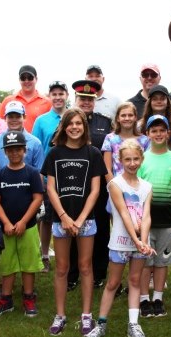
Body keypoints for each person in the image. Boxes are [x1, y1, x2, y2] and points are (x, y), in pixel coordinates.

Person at [41, 108, 107, 336]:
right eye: (71, 123)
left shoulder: (93, 153)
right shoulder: (54, 153)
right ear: (64, 127)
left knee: (85, 267)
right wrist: (64, 217)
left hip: (85, 220)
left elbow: (96, 190)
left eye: (79, 123)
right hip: (62, 219)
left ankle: (86, 315)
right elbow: (50, 187)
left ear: (84, 126)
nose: (75, 127)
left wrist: (79, 219)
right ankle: (60, 315)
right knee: (61, 268)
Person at [84, 139, 155, 337]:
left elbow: (147, 215)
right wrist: (137, 241)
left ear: (141, 159)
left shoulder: (147, 186)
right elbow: (123, 214)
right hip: (121, 242)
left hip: (141, 242)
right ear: (120, 160)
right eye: (128, 159)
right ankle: (101, 324)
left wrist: (143, 241)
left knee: (135, 280)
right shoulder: (115, 184)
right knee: (113, 282)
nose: (132, 163)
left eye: (135, 159)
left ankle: (133, 324)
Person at [0, 130, 45, 318]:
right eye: (10, 150)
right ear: (5, 152)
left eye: (18, 149)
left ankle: (28, 296)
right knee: (8, 263)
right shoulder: (0, 175)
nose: (14, 153)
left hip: (28, 227)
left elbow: (37, 198)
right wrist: (6, 222)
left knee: (28, 263)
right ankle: (6, 298)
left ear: (24, 150)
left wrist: (23, 221)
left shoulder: (33, 173)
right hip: (7, 229)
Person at [137, 115, 171, 318]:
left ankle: (157, 298)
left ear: (168, 133)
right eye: (154, 130)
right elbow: (135, 191)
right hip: (145, 222)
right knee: (145, 263)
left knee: (161, 262)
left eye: (162, 130)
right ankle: (143, 299)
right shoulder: (141, 159)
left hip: (168, 220)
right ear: (147, 134)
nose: (158, 134)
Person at [66, 80, 113, 291]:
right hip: (73, 184)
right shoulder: (67, 122)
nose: (86, 102)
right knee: (74, 227)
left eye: (89, 99)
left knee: (101, 228)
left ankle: (99, 272)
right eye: (82, 99)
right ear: (75, 100)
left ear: (95, 101)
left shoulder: (105, 122)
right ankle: (72, 273)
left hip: (99, 185)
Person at [32, 80, 70, 273]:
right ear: (49, 96)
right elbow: (36, 149)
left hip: (71, 176)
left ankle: (69, 257)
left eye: (61, 93)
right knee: (47, 219)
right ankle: (45, 255)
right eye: (54, 94)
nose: (57, 97)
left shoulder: (73, 117)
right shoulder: (41, 121)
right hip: (49, 176)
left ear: (67, 96)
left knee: (69, 216)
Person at [0, 101, 45, 180]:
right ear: (5, 118)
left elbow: (39, 172)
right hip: (2, 189)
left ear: (24, 117)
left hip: (28, 189)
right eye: (11, 117)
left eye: (18, 116)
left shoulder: (35, 143)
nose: (14, 120)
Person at [102, 103, 150, 181]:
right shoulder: (110, 138)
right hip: (117, 186)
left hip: (140, 186)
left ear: (135, 118)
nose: (127, 118)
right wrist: (113, 187)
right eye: (123, 115)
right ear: (117, 118)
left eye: (130, 115)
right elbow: (107, 169)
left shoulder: (145, 140)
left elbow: (147, 167)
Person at [0, 65, 53, 133]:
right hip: (12, 142)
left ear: (36, 79)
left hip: (38, 143)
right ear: (19, 80)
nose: (26, 81)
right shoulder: (8, 101)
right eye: (23, 78)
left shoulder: (47, 102)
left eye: (30, 78)